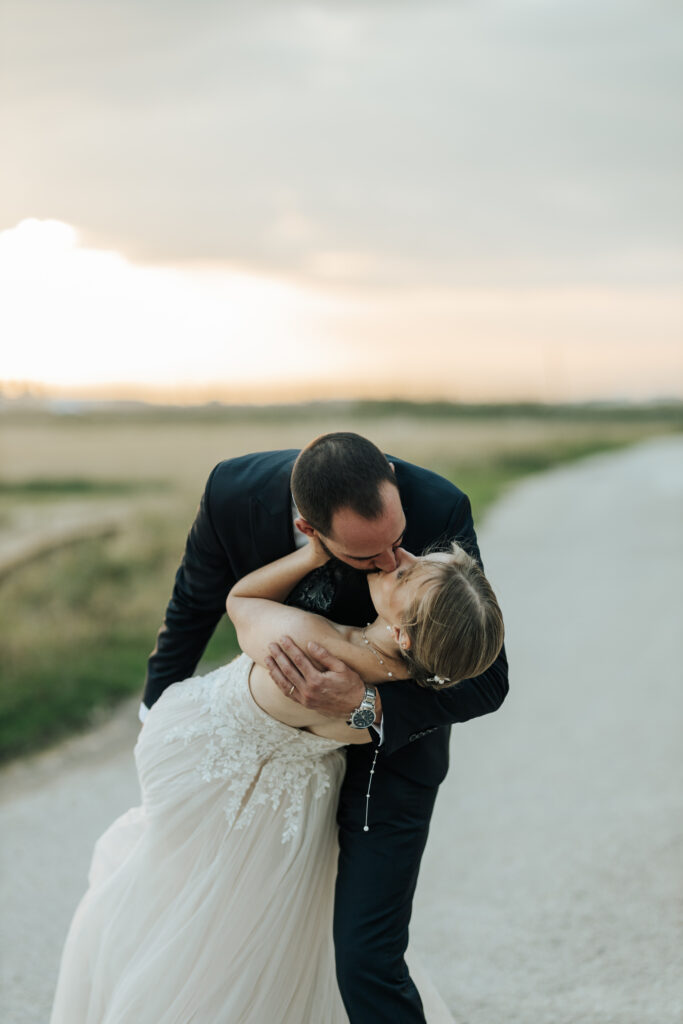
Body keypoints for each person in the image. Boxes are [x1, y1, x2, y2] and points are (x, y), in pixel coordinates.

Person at [89, 431, 506, 1021]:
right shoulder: (232, 493)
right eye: (368, 557)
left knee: (365, 957)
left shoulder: (440, 506)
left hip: (392, 751)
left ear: (393, 481)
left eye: (399, 542)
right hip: (251, 753)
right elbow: (194, 606)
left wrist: (367, 704)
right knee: (228, 923)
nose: (394, 560)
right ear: (310, 529)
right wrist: (155, 725)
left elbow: (484, 674)